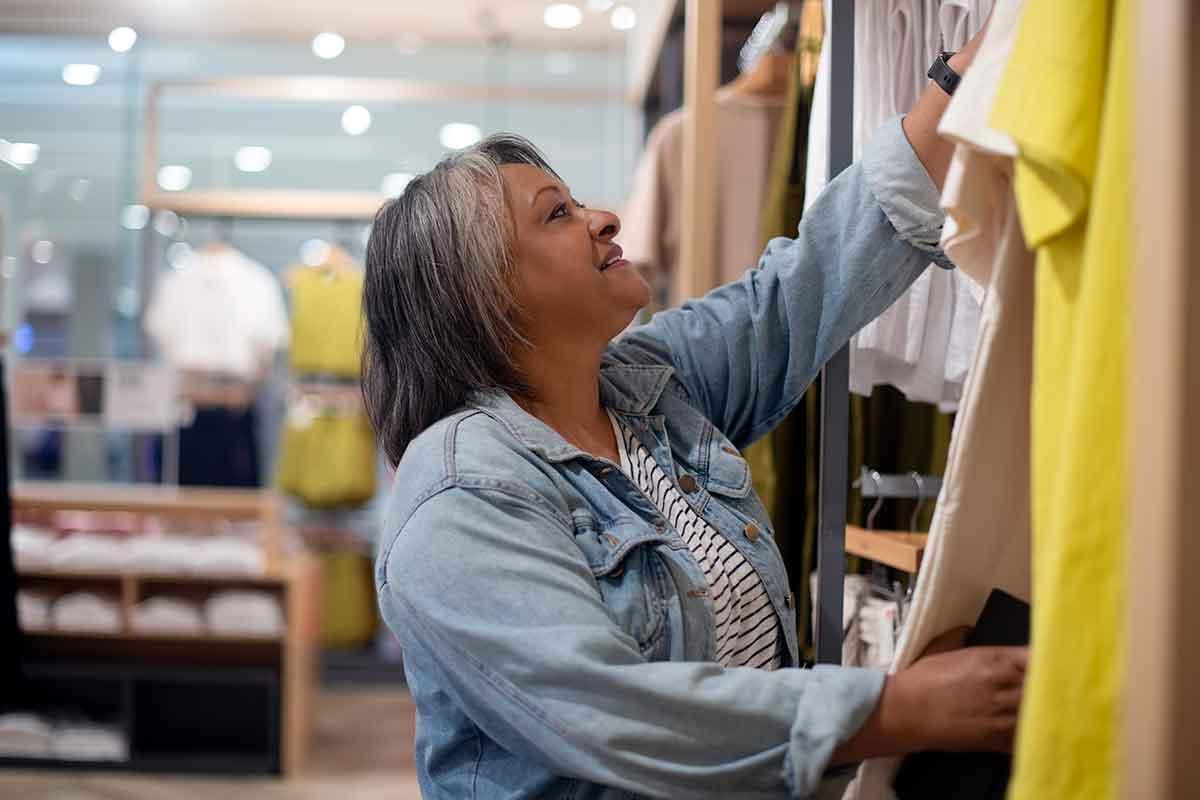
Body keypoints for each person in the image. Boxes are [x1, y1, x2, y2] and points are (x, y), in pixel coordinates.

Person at [362, 23, 1025, 800]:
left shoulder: (645, 390)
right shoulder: (460, 495)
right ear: (484, 295)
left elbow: (801, 289)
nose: (603, 219)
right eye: (556, 215)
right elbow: (614, 714)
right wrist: (897, 709)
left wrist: (954, 84)